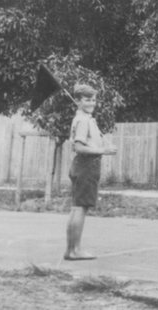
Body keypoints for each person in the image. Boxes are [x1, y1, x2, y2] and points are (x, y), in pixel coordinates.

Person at [65, 83, 116, 261]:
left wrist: (102, 145)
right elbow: (79, 147)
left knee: (78, 208)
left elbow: (87, 143)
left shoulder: (86, 118)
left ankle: (72, 249)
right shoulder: (83, 120)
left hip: (85, 166)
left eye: (93, 99)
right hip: (85, 166)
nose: (92, 103)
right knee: (80, 208)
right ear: (78, 101)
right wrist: (103, 151)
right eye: (87, 100)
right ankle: (74, 250)